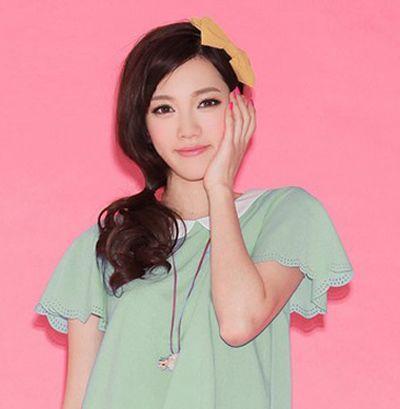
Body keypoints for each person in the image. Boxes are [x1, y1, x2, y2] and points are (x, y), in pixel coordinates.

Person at [33, 16, 355, 409]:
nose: (187, 129)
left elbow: (238, 322)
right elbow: (78, 398)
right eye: (163, 109)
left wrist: (219, 189)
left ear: (239, 107)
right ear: (143, 124)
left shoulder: (285, 215)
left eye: (207, 103)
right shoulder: (105, 245)